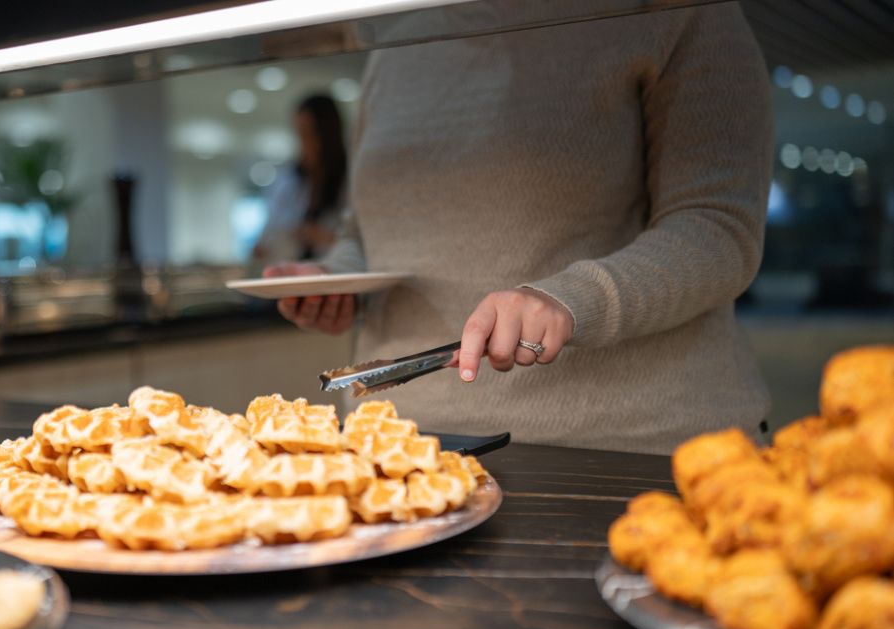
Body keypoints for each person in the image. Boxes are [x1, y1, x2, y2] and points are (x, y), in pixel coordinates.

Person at [268, 4, 772, 455]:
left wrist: (569, 300)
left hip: (619, 450)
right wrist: (335, 280)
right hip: (402, 445)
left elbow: (718, 227)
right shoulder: (399, 41)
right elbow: (368, 230)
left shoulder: (677, 13)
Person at [252, 94, 347, 266]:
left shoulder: (348, 180)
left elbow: (360, 243)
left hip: (335, 278)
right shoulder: (289, 181)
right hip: (293, 277)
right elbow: (271, 232)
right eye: (299, 134)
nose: (304, 144)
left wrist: (323, 237)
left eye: (308, 134)